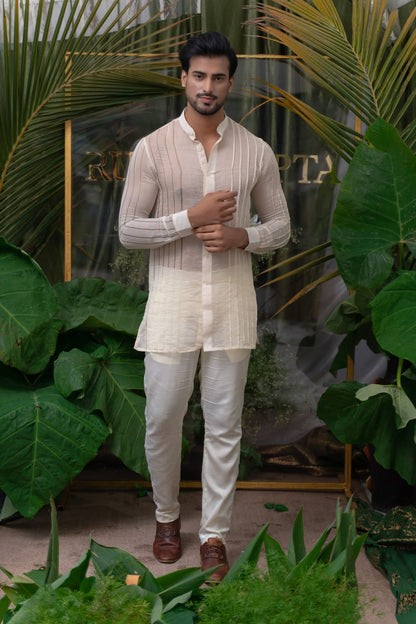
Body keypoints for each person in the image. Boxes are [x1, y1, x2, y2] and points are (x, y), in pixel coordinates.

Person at [119, 31, 290, 582]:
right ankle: (167, 518)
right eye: (199, 75)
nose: (208, 86)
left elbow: (282, 227)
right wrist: (188, 219)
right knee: (162, 420)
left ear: (230, 83)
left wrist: (244, 238)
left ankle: (213, 534)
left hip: (232, 308)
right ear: (183, 79)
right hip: (172, 305)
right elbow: (127, 231)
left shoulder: (255, 151)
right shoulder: (152, 148)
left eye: (218, 77)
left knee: (224, 426)